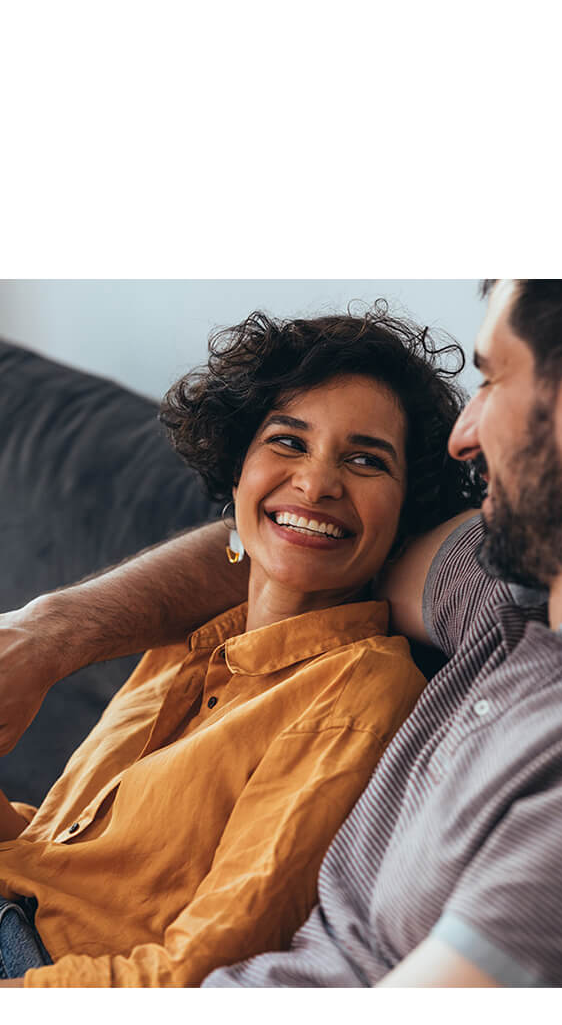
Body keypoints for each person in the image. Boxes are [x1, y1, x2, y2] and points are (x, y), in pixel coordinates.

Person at [0, 280, 562, 986]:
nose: (464, 435)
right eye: (287, 441)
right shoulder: (500, 593)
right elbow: (285, 545)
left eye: (493, 378)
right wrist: (48, 634)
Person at [0, 307, 481, 986]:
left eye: (365, 460)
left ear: (408, 511)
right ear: (237, 469)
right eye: (288, 442)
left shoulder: (359, 695)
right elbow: (55, 857)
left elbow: (197, 969)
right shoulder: (189, 641)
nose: (316, 483)